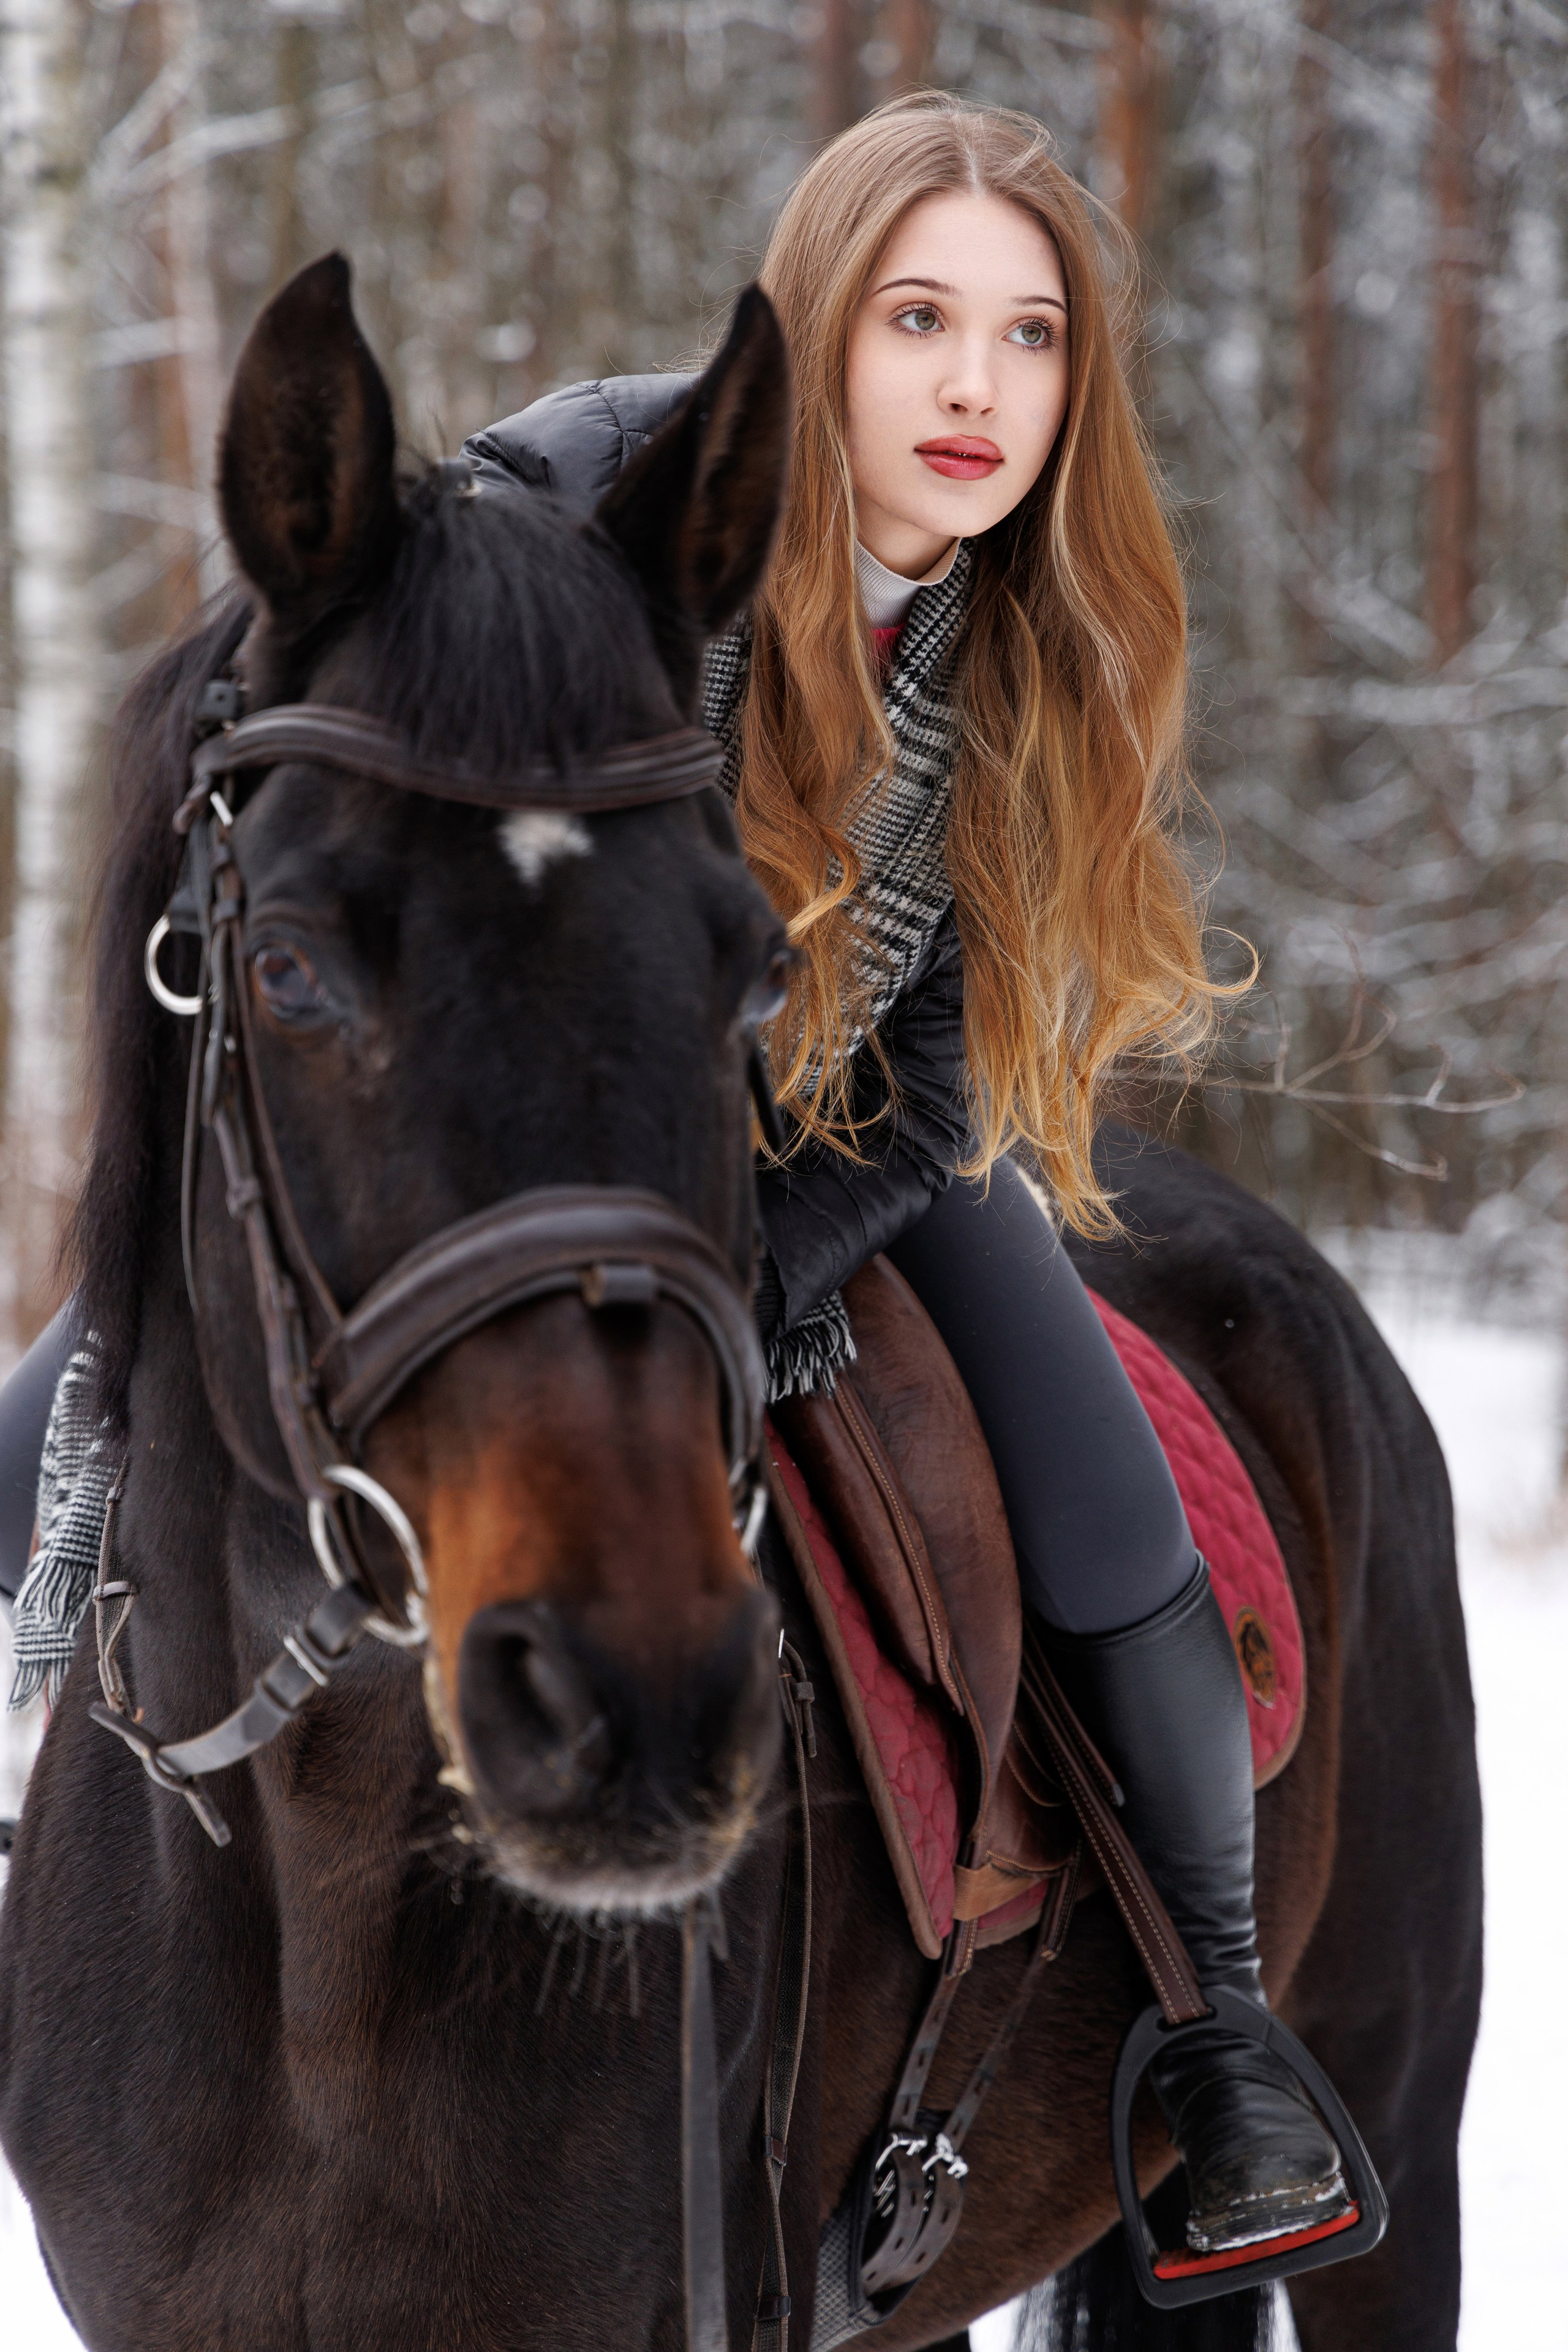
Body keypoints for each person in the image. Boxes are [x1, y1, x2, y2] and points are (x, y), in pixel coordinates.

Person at [1, 92, 1349, 2261]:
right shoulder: (586, 509)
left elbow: (932, 1075)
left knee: (1110, 1516)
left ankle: (1223, 2031)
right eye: (922, 319)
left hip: (820, 1132)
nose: (974, 389)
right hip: (507, 1129)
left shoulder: (1033, 651)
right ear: (823, 325)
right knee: (66, 1402)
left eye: (1030, 339)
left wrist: (774, 1262)